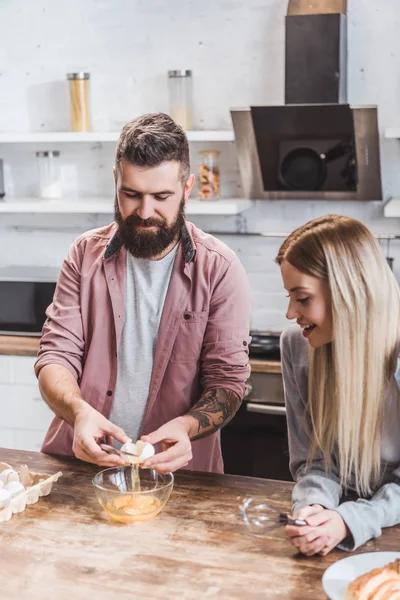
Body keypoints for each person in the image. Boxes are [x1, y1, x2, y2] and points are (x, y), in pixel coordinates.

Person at [34, 112, 252, 474]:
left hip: (180, 478)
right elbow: (56, 355)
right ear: (116, 181)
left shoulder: (221, 269)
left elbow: (227, 384)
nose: (145, 211)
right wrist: (79, 412)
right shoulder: (83, 254)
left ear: (187, 189)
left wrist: (185, 427)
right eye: (131, 194)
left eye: (161, 196)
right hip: (80, 465)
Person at [276, 214, 400, 555]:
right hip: (337, 531)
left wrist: (352, 520)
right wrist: (314, 507)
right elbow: (313, 460)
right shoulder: (297, 345)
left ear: (348, 292)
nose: (290, 313)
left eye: (302, 298)